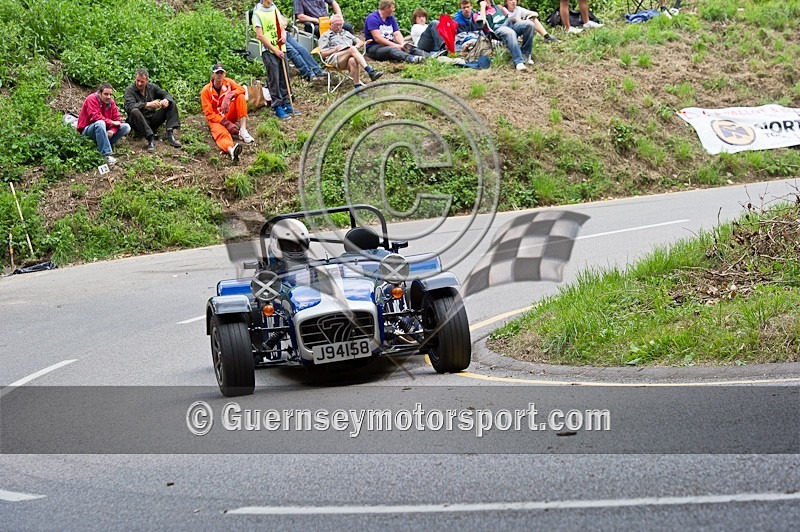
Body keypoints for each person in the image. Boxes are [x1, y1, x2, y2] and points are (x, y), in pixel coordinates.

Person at [200, 64, 253, 162]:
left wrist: (229, 96)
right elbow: (209, 113)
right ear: (213, 75)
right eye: (217, 73)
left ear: (224, 74)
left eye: (221, 73)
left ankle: (243, 129)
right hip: (216, 119)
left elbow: (241, 89)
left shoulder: (229, 83)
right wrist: (225, 122)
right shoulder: (206, 91)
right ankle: (231, 150)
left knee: (240, 97)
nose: (219, 75)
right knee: (221, 133)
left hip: (228, 113)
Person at [253, 0, 296, 120]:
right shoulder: (257, 13)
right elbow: (260, 35)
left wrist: (283, 34)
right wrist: (274, 50)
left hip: (281, 48)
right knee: (274, 78)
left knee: (284, 76)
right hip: (269, 51)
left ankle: (287, 103)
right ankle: (277, 106)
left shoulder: (274, 8)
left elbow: (282, 24)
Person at [123, 68, 181, 152]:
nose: (139, 83)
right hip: (138, 122)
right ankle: (150, 138)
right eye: (137, 81)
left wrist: (166, 100)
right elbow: (129, 106)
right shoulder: (130, 90)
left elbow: (166, 94)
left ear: (147, 81)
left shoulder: (152, 87)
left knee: (171, 103)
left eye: (142, 81)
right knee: (134, 111)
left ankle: (169, 133)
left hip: (152, 119)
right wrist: (147, 104)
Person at [319, 14, 383, 89]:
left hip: (348, 56)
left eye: (341, 25)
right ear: (330, 24)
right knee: (352, 49)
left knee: (352, 60)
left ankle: (357, 88)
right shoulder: (326, 36)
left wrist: (356, 47)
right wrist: (334, 50)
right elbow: (323, 54)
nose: (339, 27)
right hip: (334, 58)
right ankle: (370, 71)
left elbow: (360, 42)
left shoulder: (346, 33)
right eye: (336, 25)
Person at [76, 82, 131, 166]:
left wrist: (112, 131)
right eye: (106, 94)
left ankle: (103, 142)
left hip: (104, 130)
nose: (108, 97)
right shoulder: (91, 99)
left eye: (110, 94)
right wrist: (112, 122)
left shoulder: (111, 102)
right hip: (87, 130)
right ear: (99, 93)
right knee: (100, 123)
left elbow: (117, 120)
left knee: (126, 127)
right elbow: (95, 117)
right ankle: (106, 154)